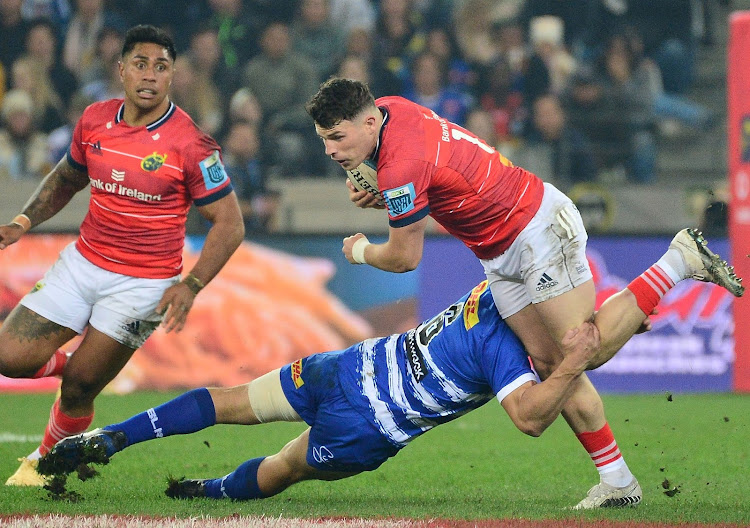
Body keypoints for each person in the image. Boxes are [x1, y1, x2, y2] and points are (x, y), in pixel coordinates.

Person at [304, 78, 744, 508]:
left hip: (535, 229)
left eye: (337, 137)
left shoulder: (400, 164)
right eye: (323, 140)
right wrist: (385, 190)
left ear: (367, 123)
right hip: (498, 251)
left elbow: (403, 258)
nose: (329, 150)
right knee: (555, 362)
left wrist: (360, 250)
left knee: (582, 351)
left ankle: (678, 261)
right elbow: (428, 174)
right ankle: (618, 481)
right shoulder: (390, 109)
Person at [41, 281, 608, 504]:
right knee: (285, 467)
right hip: (366, 427)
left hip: (345, 367)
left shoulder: (490, 289)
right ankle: (210, 491)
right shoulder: (507, 350)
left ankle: (114, 435)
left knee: (228, 400)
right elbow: (531, 418)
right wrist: (575, 360)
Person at [1, 24, 245, 487]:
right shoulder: (94, 120)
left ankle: (42, 465)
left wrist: (190, 284)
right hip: (83, 262)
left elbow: (230, 223)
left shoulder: (191, 144)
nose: (150, 75)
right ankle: (69, 365)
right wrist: (23, 222)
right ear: (121, 70)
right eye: (140, 64)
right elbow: (65, 179)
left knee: (79, 390)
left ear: (173, 75)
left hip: (144, 284)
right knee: (8, 357)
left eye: (161, 66)